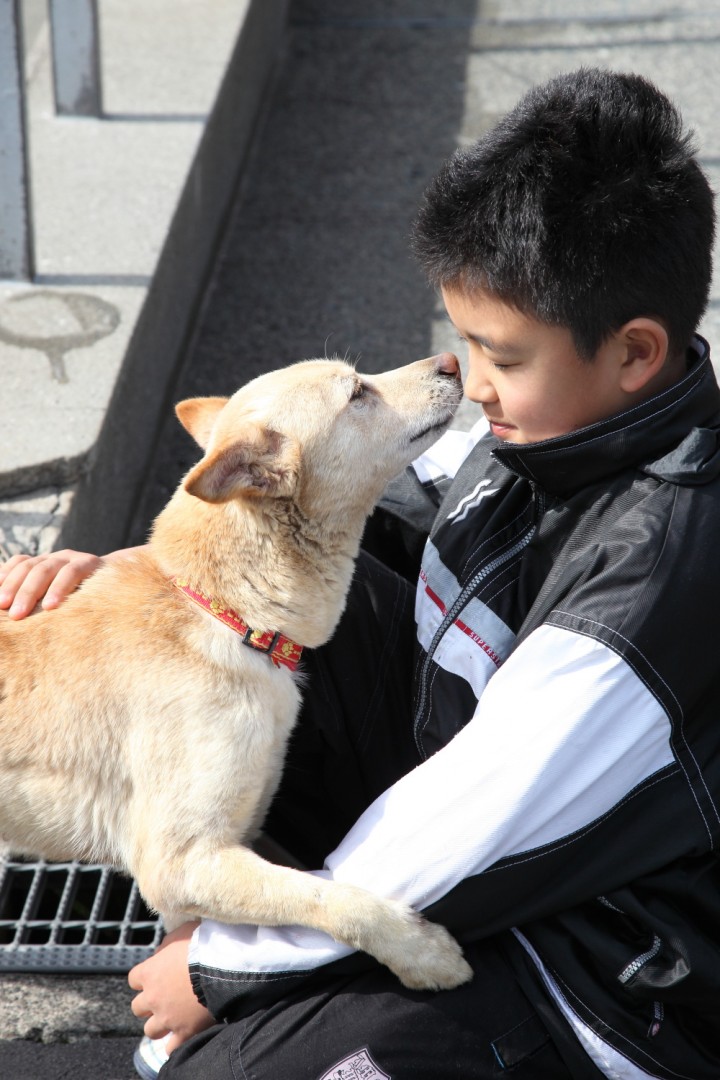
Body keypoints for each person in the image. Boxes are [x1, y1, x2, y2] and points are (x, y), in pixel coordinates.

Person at [2, 66, 720, 1079]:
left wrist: (221, 965)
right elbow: (327, 530)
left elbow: (475, 824)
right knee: (266, 620)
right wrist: (132, 585)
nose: (465, 381)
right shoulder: (541, 432)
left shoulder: (648, 583)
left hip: (602, 969)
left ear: (635, 354)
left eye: (499, 355)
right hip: (469, 798)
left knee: (232, 1070)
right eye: (463, 341)